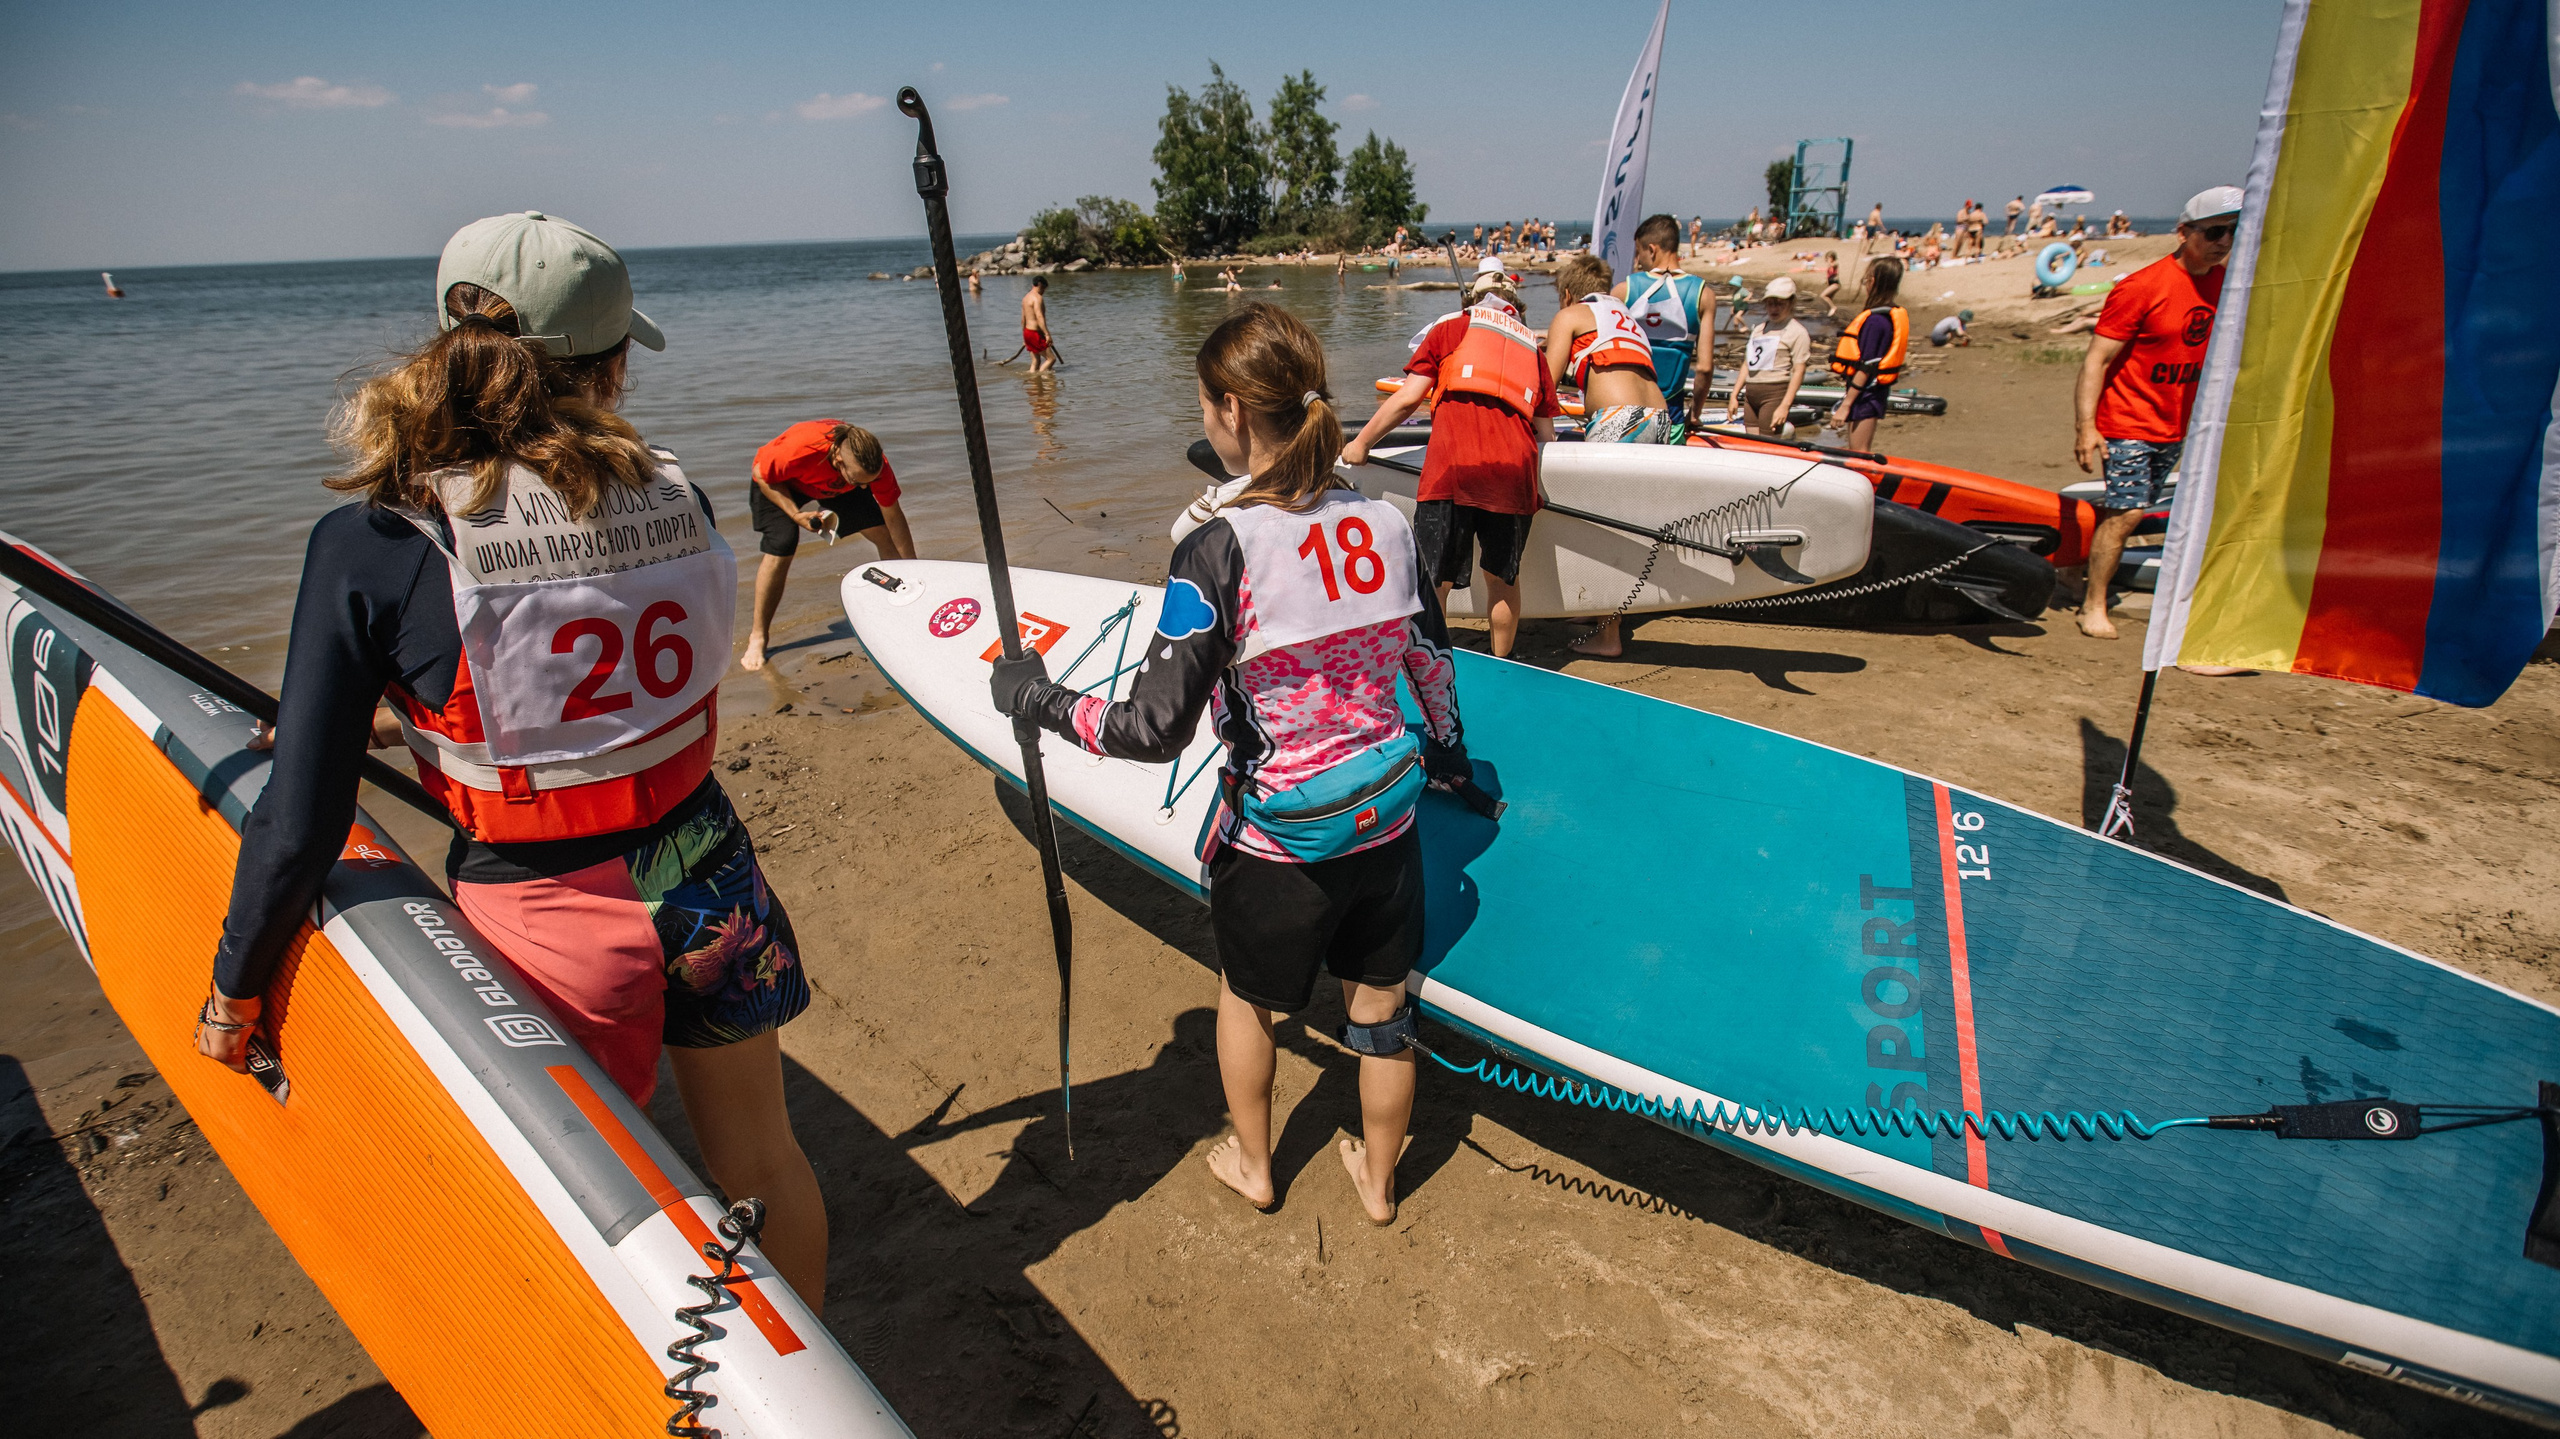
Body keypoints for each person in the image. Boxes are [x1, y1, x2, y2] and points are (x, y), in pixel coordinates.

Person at [194, 211, 829, 1308]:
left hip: (544, 915)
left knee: (596, 1203)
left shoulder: (379, 541)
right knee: (764, 1160)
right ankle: (810, 1358)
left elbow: (300, 823)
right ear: (610, 364)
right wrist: (400, 722)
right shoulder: (677, 494)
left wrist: (234, 987)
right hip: (709, 875)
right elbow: (595, 691)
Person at [997, 303, 1465, 1226]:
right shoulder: (1389, 521)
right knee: (1382, 1011)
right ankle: (1378, 1186)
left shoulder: (1217, 547)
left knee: (1249, 1002)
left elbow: (1152, 728)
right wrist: (1449, 757)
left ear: (1232, 412)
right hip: (1389, 817)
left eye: (1203, 404)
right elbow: (1432, 666)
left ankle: (1256, 1167)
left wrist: (1036, 699)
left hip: (1278, 840)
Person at [1345, 260, 1558, 659]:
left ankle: (1432, 665)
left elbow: (1408, 398)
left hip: (1452, 470)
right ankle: (1502, 662)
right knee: (1503, 581)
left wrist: (1361, 443)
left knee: (1435, 581)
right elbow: (1546, 436)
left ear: (1471, 302)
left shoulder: (1448, 329)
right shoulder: (1534, 350)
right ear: (1516, 309)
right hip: (1513, 476)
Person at [2074, 186, 2244, 657]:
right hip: (2128, 419)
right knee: (2128, 512)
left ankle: (2074, 561)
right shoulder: (2142, 287)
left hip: (2177, 424)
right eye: (2214, 231)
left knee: (2135, 507)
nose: (2224, 241)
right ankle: (2093, 604)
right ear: (2184, 232)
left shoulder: (2227, 285)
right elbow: (2096, 360)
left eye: (2233, 232)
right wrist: (2086, 427)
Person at [1544, 252, 1678, 658]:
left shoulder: (1570, 315)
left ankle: (1608, 635)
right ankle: (1598, 610)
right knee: (1631, 521)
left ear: (1568, 294)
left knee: (1602, 525)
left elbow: (1545, 384)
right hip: (1660, 418)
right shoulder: (1627, 318)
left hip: (1619, 419)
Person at [741, 420, 918, 671]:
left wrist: (913, 570)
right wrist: (795, 515)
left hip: (835, 485)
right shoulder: (800, 451)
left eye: (868, 482)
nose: (865, 487)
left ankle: (905, 607)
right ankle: (758, 636)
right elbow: (761, 474)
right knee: (782, 544)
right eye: (859, 481)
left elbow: (893, 515)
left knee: (882, 533)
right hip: (780, 484)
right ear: (838, 459)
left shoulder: (873, 468)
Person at [1616, 213, 1708, 420]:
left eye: (1638, 253)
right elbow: (1704, 368)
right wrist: (1695, 413)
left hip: (1626, 410)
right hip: (1671, 412)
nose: (1638, 261)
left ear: (1652, 250)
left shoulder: (1624, 290)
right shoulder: (1702, 294)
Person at [1827, 256, 1908, 451]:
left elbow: (1867, 366)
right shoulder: (1884, 316)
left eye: (1865, 280)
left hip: (1866, 395)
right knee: (1856, 450)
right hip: (1868, 394)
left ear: (1873, 281)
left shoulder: (1876, 322)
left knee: (1859, 452)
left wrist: (1846, 405)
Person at [1730, 276, 1811, 437]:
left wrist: (1784, 406)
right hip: (1751, 394)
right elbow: (1747, 363)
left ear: (1791, 303)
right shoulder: (1759, 329)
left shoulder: (1797, 332)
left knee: (1767, 445)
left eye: (1780, 304)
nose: (1774, 308)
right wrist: (1734, 394)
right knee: (1751, 445)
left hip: (1774, 393)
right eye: (1770, 303)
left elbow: (1799, 370)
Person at [1021, 274, 1056, 373]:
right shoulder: (1037, 298)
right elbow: (1039, 317)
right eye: (1044, 289)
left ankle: (1033, 380)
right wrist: (1047, 334)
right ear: (1040, 285)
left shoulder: (1025, 298)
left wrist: (1024, 337)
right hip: (1035, 333)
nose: (1043, 292)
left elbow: (1023, 319)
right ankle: (1040, 377)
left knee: (1035, 361)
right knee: (1051, 359)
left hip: (1027, 332)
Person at [1820, 251, 1842, 316]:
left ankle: (1833, 307)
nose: (1828, 259)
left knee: (1823, 296)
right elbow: (1828, 275)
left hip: (1835, 284)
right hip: (1831, 284)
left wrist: (1829, 262)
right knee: (1829, 298)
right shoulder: (1829, 266)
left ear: (1833, 258)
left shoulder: (1835, 264)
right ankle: (1829, 312)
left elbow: (1833, 265)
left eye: (1829, 257)